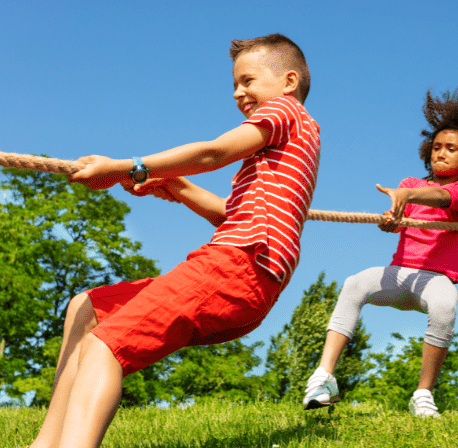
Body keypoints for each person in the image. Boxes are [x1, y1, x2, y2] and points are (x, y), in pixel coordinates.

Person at [28, 33, 320, 448]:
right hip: (244, 276)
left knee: (103, 346)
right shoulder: (279, 156)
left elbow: (213, 153)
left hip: (237, 266)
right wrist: (178, 187)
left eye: (248, 81)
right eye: (235, 85)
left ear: (289, 82)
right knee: (87, 309)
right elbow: (228, 215)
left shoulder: (286, 112)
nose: (239, 93)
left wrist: (129, 167)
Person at [303, 89, 458, 417]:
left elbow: (442, 199)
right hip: (400, 275)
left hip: (435, 280)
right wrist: (390, 221)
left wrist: (409, 194)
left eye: (451, 149)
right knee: (353, 284)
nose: (441, 154)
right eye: (436, 148)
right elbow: (398, 220)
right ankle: (324, 377)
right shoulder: (409, 183)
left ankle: (422, 394)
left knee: (446, 305)